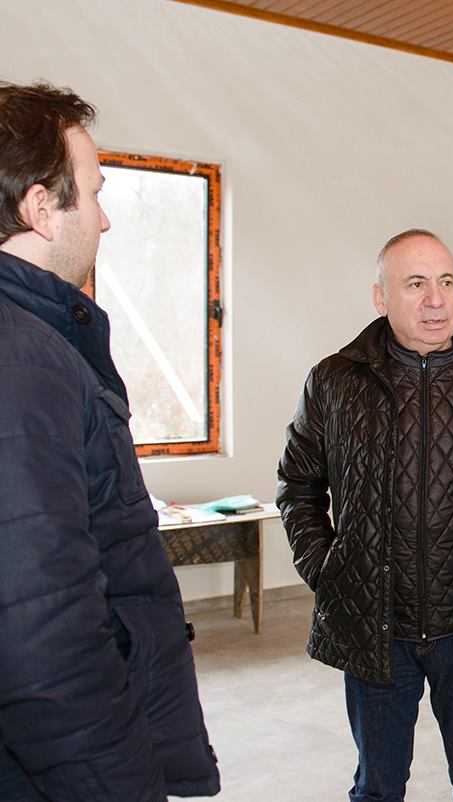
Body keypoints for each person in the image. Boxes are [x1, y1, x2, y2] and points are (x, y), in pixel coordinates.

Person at [277, 229, 453, 802]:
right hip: (376, 627)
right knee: (377, 788)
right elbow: (299, 486)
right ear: (381, 298)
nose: (436, 300)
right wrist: (328, 572)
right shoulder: (334, 381)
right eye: (416, 284)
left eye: (446, 282)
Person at [0, 81, 220, 800]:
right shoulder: (22, 362)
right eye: (93, 193)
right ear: (40, 208)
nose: (104, 218)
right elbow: (44, 638)